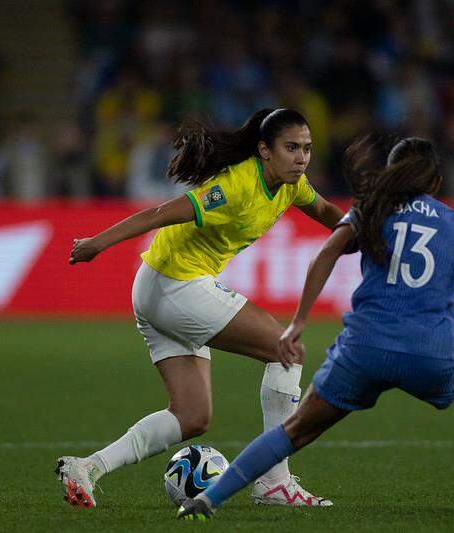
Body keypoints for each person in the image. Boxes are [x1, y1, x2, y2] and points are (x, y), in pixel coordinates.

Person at [176, 136, 454, 521]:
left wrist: (299, 321)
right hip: (434, 353)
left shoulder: (370, 210)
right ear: (437, 181)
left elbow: (326, 254)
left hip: (363, 351)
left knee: (294, 430)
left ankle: (207, 499)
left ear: (392, 173)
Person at [56, 108, 344, 508]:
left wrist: (369, 230)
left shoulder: (292, 185)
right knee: (286, 348)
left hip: (158, 287)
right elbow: (161, 213)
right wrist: (97, 243)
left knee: (191, 416)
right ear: (264, 150)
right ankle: (274, 482)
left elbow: (330, 214)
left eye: (307, 149)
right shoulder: (237, 185)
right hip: (176, 285)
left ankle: (88, 467)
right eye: (291, 147)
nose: (301, 158)